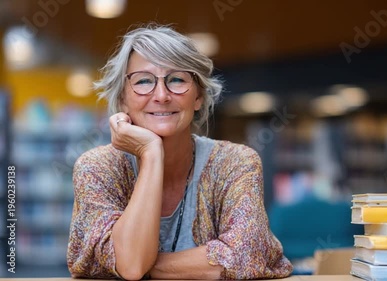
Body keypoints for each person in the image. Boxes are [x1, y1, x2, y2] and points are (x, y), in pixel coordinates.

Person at [67, 24, 293, 280]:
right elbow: (131, 265)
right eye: (143, 81)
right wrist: (151, 154)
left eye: (177, 79)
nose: (162, 95)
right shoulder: (96, 169)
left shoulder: (236, 163)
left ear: (197, 97)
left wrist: (144, 265)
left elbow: (244, 254)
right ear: (122, 99)